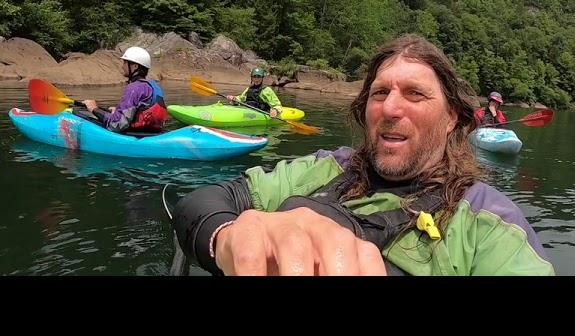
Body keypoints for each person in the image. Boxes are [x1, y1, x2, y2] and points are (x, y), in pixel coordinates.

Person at [172, 34, 554, 276]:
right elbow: (199, 202)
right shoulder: (325, 167)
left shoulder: (493, 224)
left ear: (452, 116)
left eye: (415, 94)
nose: (390, 109)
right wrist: (226, 236)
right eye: (379, 93)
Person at [81, 46, 168, 133]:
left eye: (125, 63)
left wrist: (94, 108)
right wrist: (118, 111)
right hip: (152, 133)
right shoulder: (153, 86)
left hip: (137, 134)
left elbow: (117, 124)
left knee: (84, 116)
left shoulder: (134, 88)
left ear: (135, 66)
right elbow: (143, 110)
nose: (122, 66)